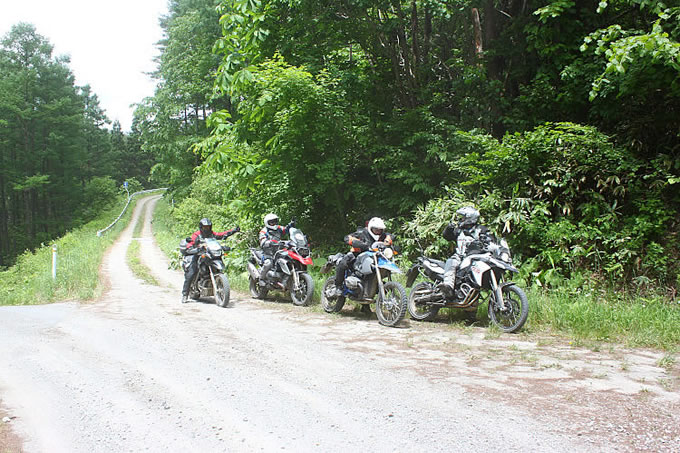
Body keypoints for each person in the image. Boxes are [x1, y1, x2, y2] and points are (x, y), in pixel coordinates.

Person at [332, 217, 394, 297]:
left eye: (380, 230)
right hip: (358, 254)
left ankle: (366, 303)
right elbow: (347, 237)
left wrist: (390, 240)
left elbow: (390, 236)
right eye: (376, 229)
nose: (378, 231)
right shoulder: (362, 232)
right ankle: (338, 286)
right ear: (370, 228)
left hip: (374, 258)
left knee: (372, 276)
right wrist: (355, 242)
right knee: (344, 262)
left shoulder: (383, 236)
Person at [181, 218, 239, 303]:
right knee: (192, 272)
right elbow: (191, 243)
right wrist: (194, 248)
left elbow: (221, 235)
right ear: (201, 227)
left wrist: (233, 231)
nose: (206, 229)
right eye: (205, 227)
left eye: (208, 227)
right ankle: (185, 294)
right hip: (199, 254)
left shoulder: (212, 234)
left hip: (210, 253)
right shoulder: (196, 235)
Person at [439, 206, 492, 297]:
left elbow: (491, 239)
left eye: (463, 217)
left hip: (477, 258)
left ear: (469, 218)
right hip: (460, 257)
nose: (461, 219)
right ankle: (448, 286)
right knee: (451, 262)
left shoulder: (481, 229)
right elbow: (447, 236)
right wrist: (448, 229)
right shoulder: (459, 230)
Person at [257, 213, 296, 285]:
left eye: (275, 221)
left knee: (289, 260)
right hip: (268, 253)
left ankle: (285, 280)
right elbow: (262, 242)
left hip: (279, 251)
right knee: (268, 263)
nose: (274, 223)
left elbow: (286, 230)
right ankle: (261, 279)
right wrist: (269, 242)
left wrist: (291, 224)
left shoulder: (279, 228)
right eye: (271, 222)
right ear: (267, 222)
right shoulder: (264, 231)